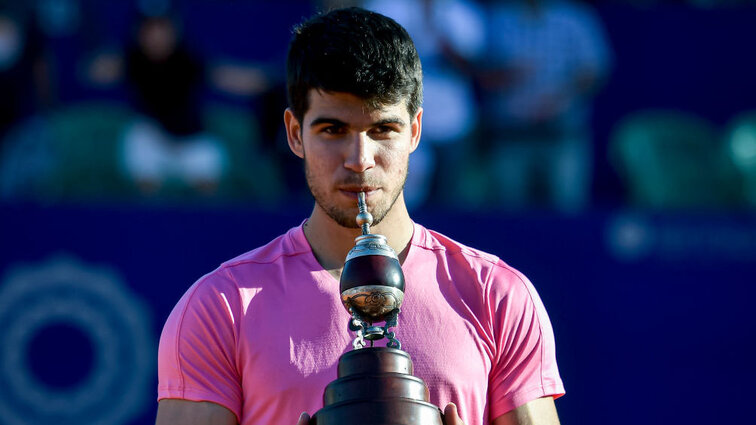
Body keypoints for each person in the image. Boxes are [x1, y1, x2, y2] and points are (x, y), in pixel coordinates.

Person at [155, 7, 564, 425]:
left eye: (383, 130)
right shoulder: (220, 309)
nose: (359, 160)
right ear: (295, 133)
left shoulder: (497, 297)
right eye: (333, 130)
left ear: (416, 131)